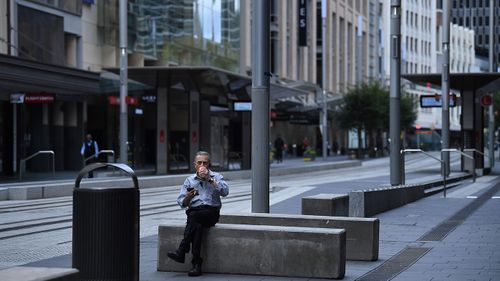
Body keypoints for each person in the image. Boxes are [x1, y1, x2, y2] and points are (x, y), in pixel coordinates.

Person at [167, 151, 229, 277]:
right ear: (195, 165)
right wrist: (188, 197)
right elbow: (182, 203)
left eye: (205, 163)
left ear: (209, 164)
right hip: (195, 213)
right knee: (197, 225)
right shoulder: (189, 180)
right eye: (199, 163)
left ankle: (182, 250)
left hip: (211, 213)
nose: (202, 165)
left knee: (194, 218)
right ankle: (196, 265)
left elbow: (225, 192)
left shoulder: (216, 176)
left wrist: (209, 179)